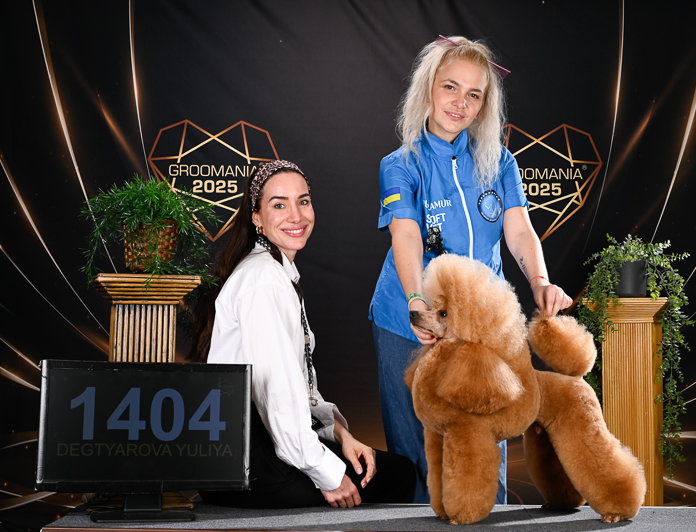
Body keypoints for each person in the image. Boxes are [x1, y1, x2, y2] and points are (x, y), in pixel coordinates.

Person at [368, 36, 573, 504]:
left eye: (474, 94)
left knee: (482, 445)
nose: (460, 102)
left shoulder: (499, 161)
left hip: (481, 326)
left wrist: (540, 281)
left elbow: (519, 231)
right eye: (450, 87)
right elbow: (406, 236)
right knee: (418, 453)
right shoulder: (400, 165)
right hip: (407, 320)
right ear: (428, 89)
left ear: (484, 105)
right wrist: (417, 303)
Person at [190, 160, 415, 509]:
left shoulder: (276, 272)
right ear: (256, 217)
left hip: (255, 453)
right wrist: (327, 473)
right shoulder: (264, 280)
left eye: (303, 201)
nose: (296, 216)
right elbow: (277, 393)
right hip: (246, 466)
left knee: (388, 469)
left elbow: (300, 392)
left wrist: (342, 436)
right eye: (279, 205)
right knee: (397, 476)